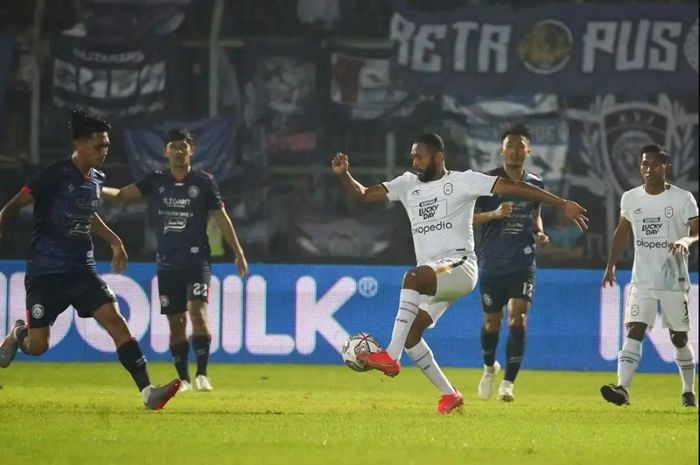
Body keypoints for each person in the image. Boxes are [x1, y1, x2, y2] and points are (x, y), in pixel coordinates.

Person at [331, 133, 588, 414]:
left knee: (412, 278)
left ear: (438, 157)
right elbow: (364, 193)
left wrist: (561, 203)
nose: (414, 160)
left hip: (460, 265)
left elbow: (517, 187)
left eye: (420, 155)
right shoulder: (407, 184)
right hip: (436, 275)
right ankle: (449, 395)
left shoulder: (464, 180)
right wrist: (344, 175)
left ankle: (390, 357)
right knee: (411, 335)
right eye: (413, 155)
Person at [0, 110, 180, 409]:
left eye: (107, 145)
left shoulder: (97, 178)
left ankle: (148, 392)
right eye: (99, 145)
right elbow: (15, 204)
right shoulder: (54, 175)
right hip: (46, 271)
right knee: (38, 344)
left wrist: (115, 240)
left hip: (81, 269)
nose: (105, 151)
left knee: (116, 321)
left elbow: (87, 212)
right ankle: (19, 333)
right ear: (80, 145)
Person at [102, 128, 248, 392]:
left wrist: (238, 252)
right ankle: (183, 379)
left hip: (197, 261)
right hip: (168, 263)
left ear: (192, 150)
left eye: (183, 146)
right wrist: (98, 189)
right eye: (174, 147)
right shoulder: (157, 180)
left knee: (198, 313)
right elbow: (123, 194)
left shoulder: (203, 182)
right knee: (176, 321)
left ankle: (202, 374)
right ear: (165, 151)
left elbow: (221, 218)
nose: (179, 151)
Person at [600, 144, 698, 408]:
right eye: (644, 164)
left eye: (655, 164)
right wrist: (611, 265)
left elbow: (696, 229)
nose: (649, 169)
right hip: (642, 280)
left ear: (666, 167)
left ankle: (688, 391)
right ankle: (622, 389)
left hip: (673, 280)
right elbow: (622, 232)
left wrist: (687, 241)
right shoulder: (630, 198)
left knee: (679, 338)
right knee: (634, 330)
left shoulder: (682, 198)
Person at [473, 124, 549, 402]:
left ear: (528, 151)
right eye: (510, 146)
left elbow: (536, 214)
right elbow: (468, 218)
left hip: (523, 260)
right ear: (502, 150)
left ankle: (508, 384)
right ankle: (489, 367)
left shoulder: (536, 183)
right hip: (492, 261)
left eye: (521, 146)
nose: (515, 151)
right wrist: (493, 214)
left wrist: (540, 233)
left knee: (519, 318)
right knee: (492, 323)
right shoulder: (487, 182)